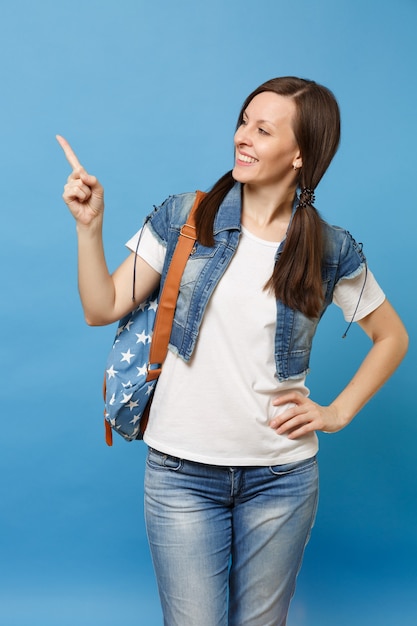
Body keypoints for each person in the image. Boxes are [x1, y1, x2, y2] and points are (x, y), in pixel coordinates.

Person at [58, 76, 408, 626]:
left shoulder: (328, 249)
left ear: (300, 155)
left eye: (263, 130)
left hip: (282, 480)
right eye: (244, 121)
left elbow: (392, 337)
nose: (243, 137)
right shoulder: (184, 219)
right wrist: (88, 227)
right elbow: (100, 306)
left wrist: (336, 412)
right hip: (180, 472)